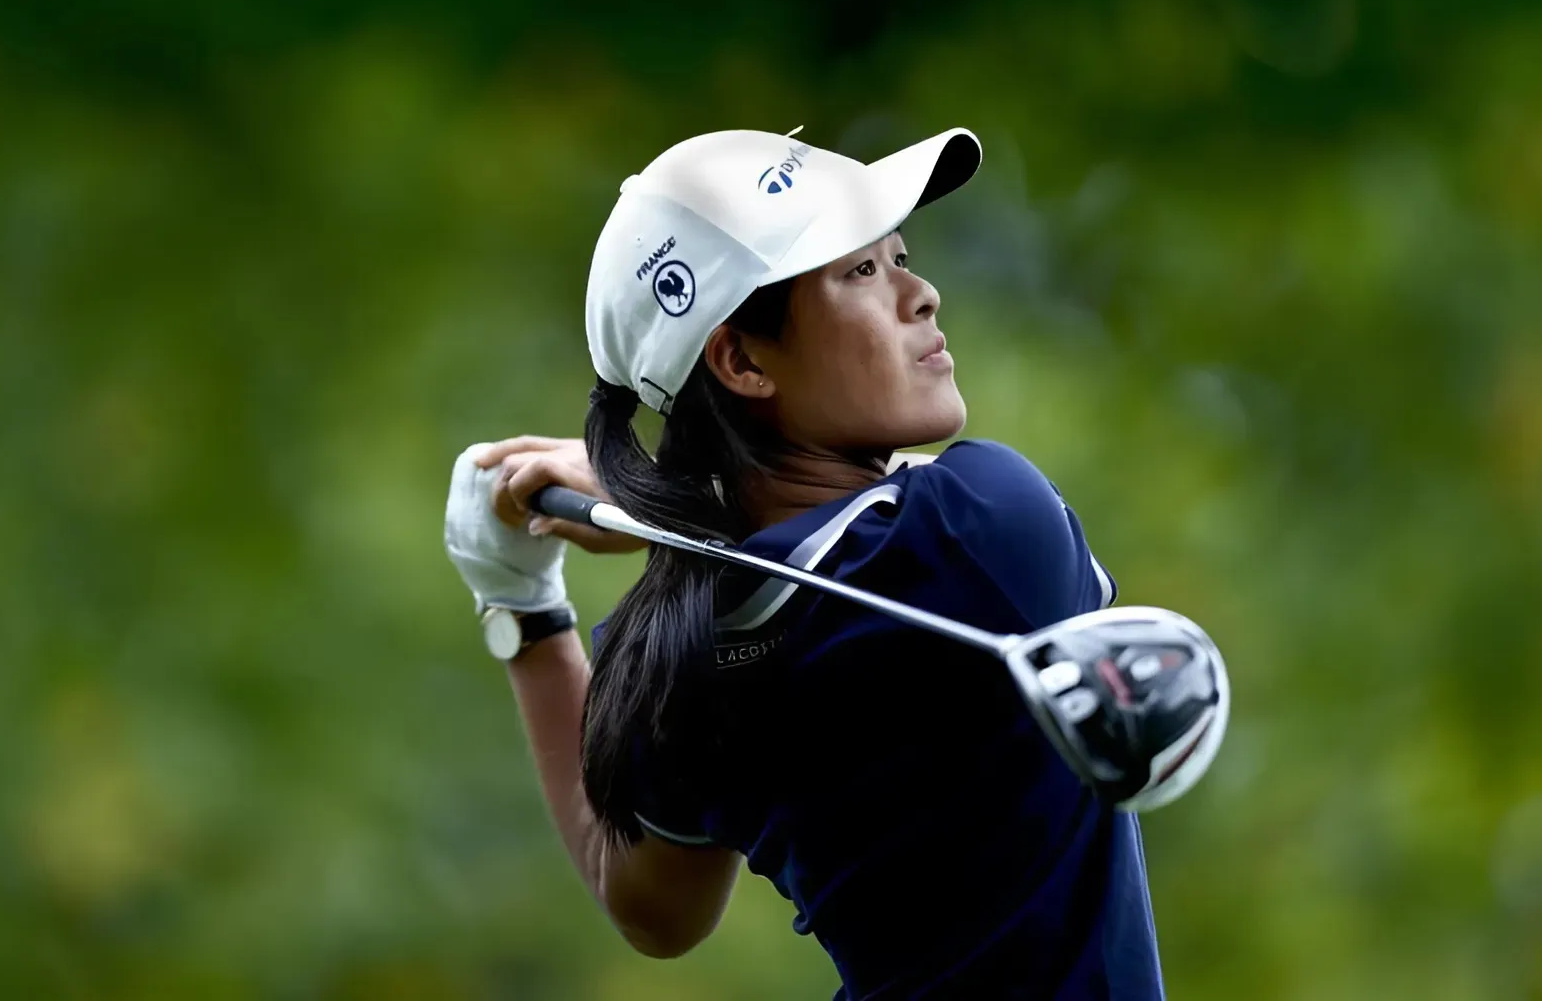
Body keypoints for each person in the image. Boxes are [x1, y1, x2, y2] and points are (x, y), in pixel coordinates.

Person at [444, 127, 1164, 999]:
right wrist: (673, 500)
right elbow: (860, 531)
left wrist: (521, 605)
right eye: (860, 271)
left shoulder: (671, 658)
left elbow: (649, 910)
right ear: (743, 360)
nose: (923, 294)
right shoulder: (981, 524)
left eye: (899, 257)